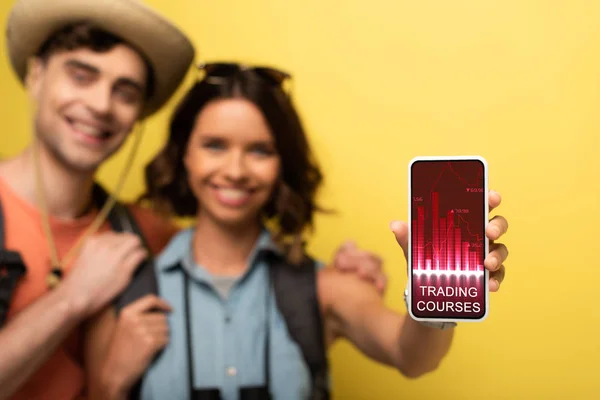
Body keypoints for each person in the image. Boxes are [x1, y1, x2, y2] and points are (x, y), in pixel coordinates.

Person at [0, 3, 389, 399]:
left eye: (126, 92)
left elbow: (236, 258)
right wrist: (73, 297)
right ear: (36, 74)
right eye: (81, 76)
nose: (101, 104)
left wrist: (341, 273)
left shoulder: (145, 236)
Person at [87, 62, 509, 399]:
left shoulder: (325, 287)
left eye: (259, 150)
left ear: (282, 164)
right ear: (184, 156)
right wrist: (111, 384)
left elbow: (412, 358)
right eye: (215, 145)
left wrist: (438, 294)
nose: (235, 171)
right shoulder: (129, 290)